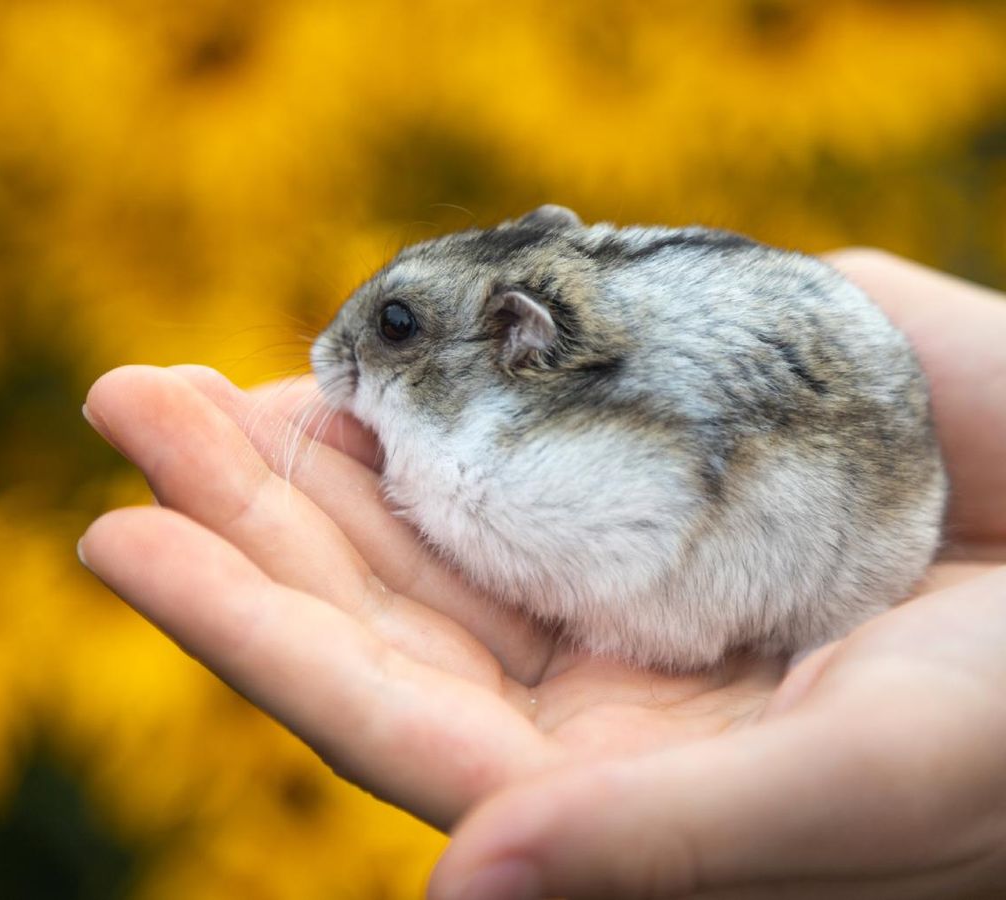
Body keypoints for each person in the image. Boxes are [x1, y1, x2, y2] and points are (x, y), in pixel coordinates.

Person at [77, 250, 1006, 900]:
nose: (335, 353)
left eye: (395, 329)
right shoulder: (539, 384)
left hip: (849, 530)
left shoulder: (555, 459)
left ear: (518, 341)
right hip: (870, 534)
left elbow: (627, 561)